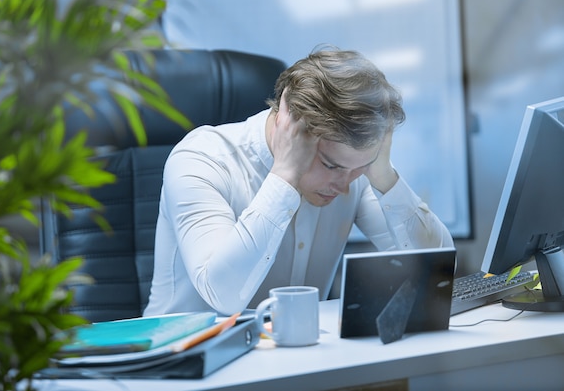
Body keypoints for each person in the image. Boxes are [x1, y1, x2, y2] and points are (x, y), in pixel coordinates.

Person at [143, 47, 454, 317]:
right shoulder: (201, 158)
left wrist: (383, 174)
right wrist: (285, 177)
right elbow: (223, 295)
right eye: (330, 165)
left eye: (361, 166)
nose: (345, 185)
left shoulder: (351, 169)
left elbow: (437, 272)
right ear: (290, 125)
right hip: (179, 370)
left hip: (293, 361)